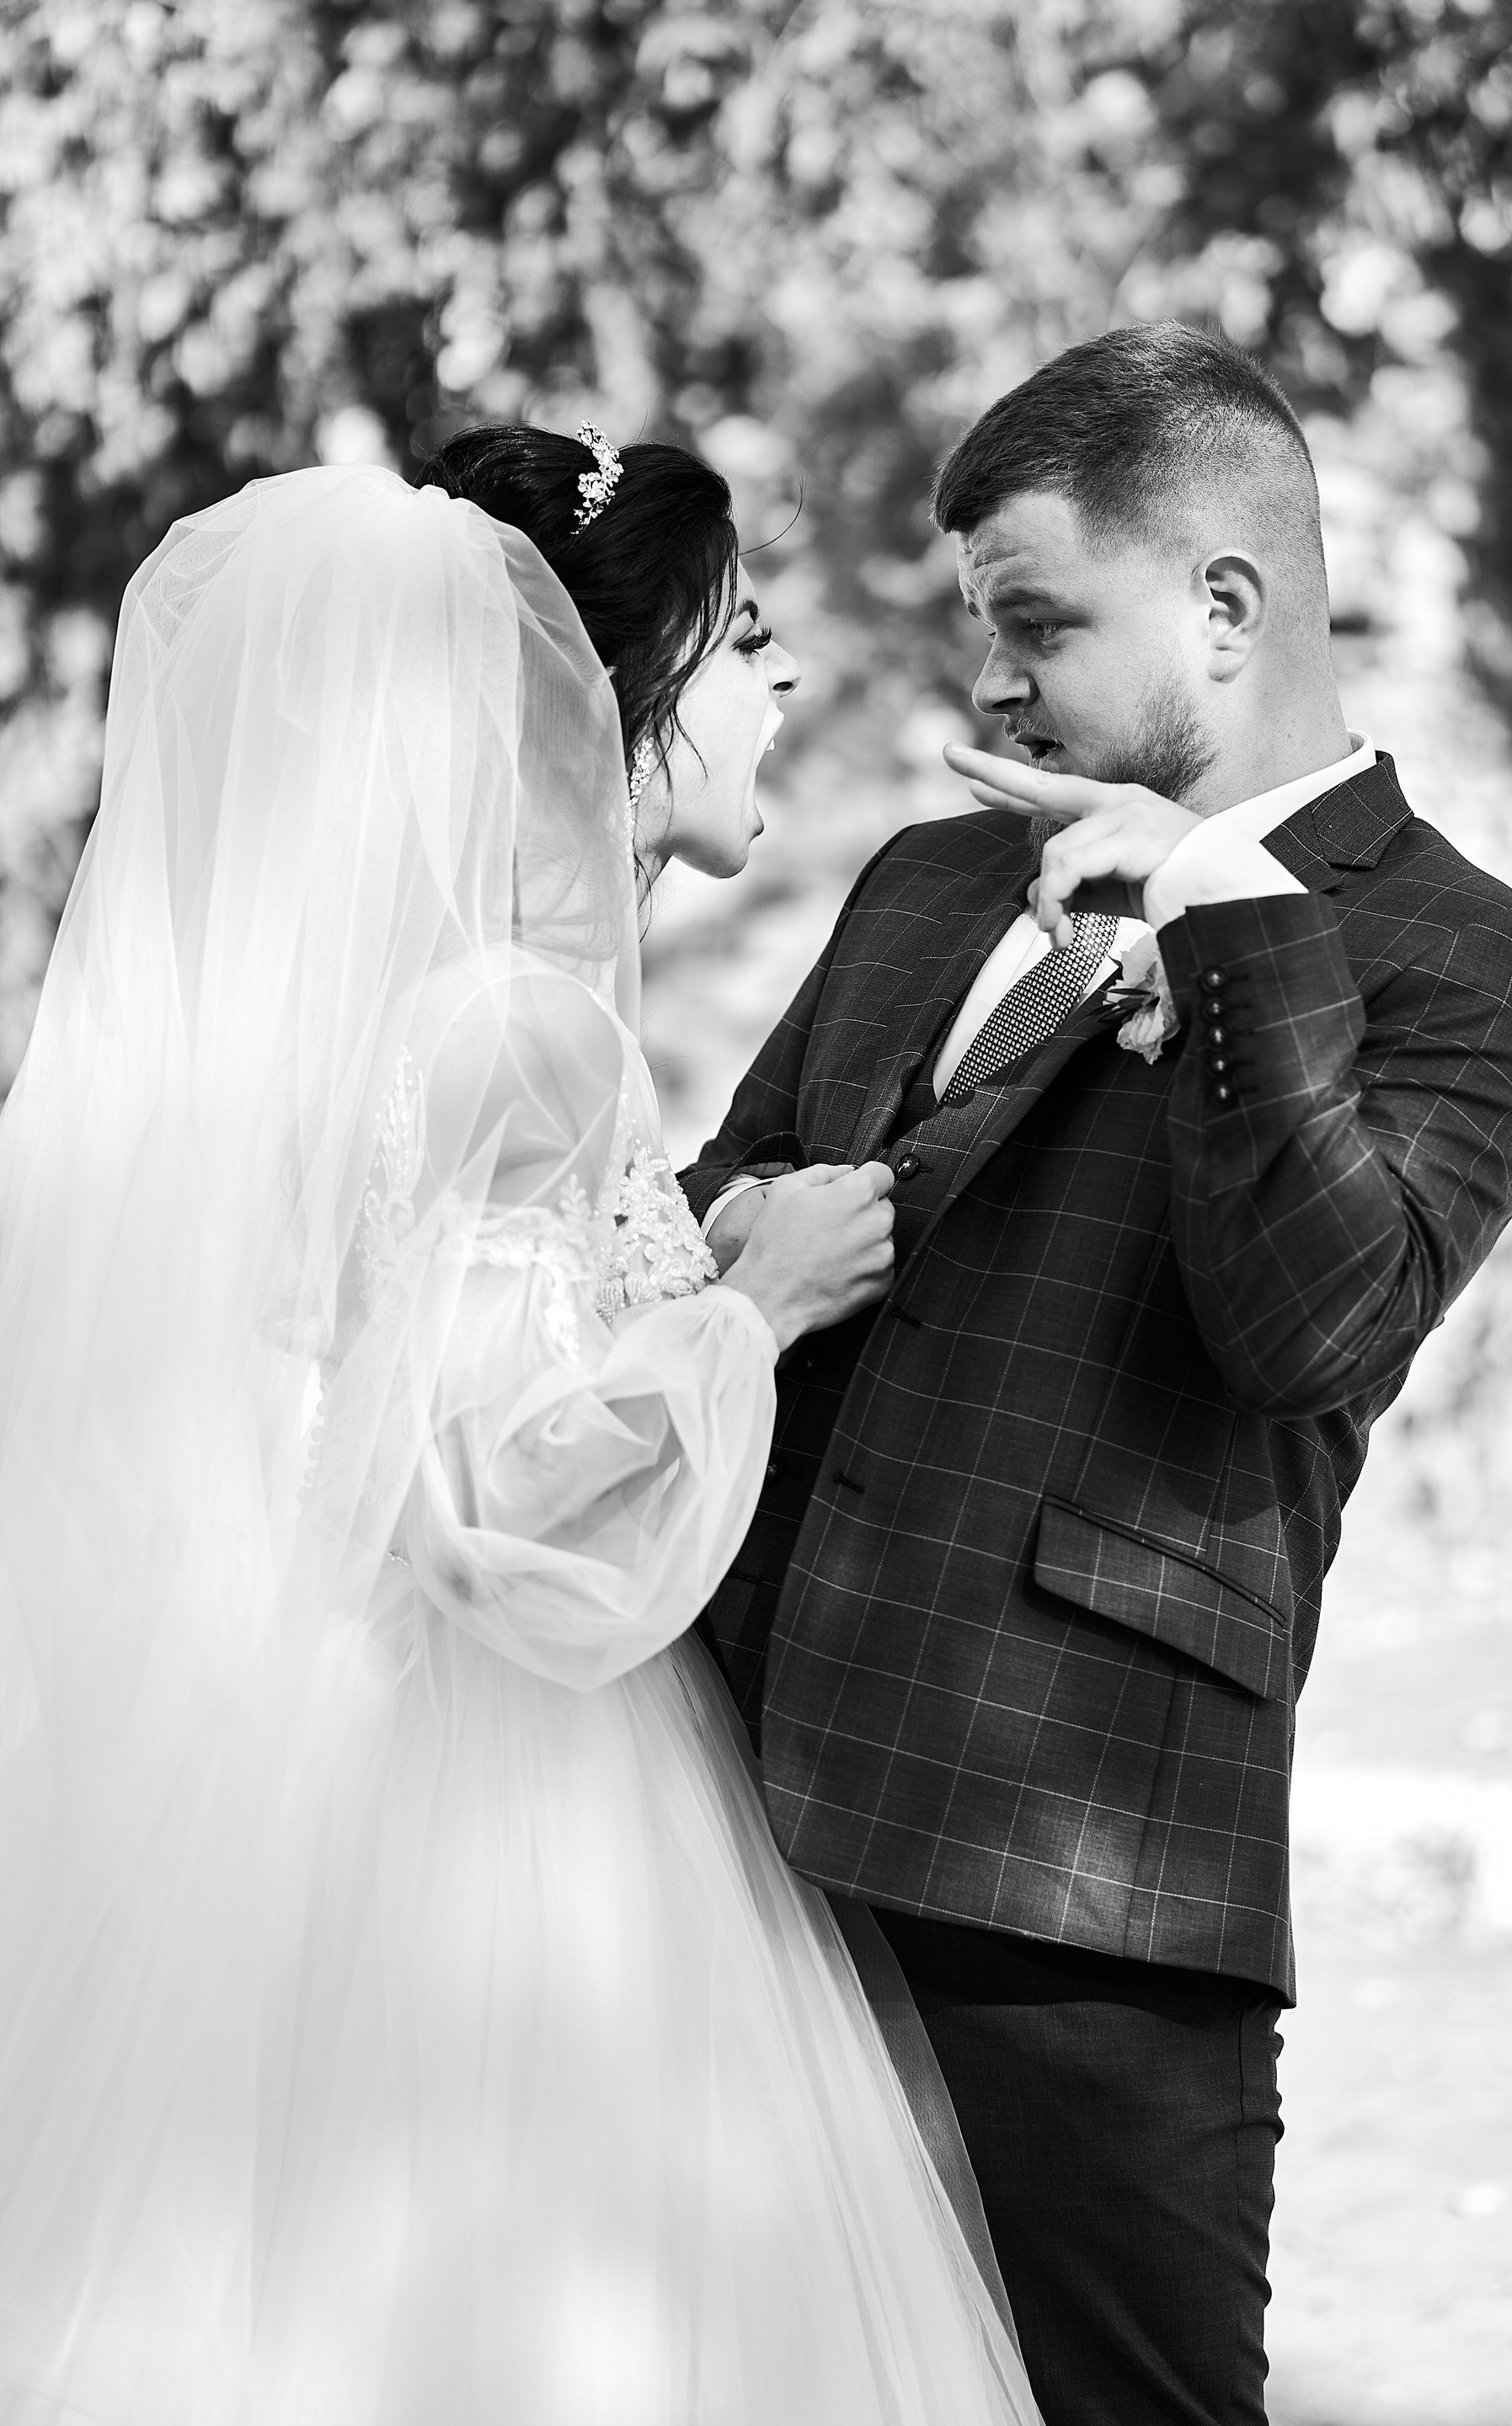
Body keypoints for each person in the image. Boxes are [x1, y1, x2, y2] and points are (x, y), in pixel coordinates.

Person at [0, 442, 1046, 2425]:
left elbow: (419, 1367)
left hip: (337, 1752)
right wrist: (755, 1308)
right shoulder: (523, 1023)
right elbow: (489, 1502)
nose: (781, 682)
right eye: (740, 640)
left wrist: (676, 1270)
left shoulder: (390, 1010)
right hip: (515, 1808)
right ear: (612, 701)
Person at [681, 323, 1512, 2426]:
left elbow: (1310, 1329)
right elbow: (730, 1191)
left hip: (1077, 1869)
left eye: (1036, 623)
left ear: (1227, 606)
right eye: (981, 628)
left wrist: (1224, 918)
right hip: (726, 1784)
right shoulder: (930, 876)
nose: (991, 683)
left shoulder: (1477, 962)